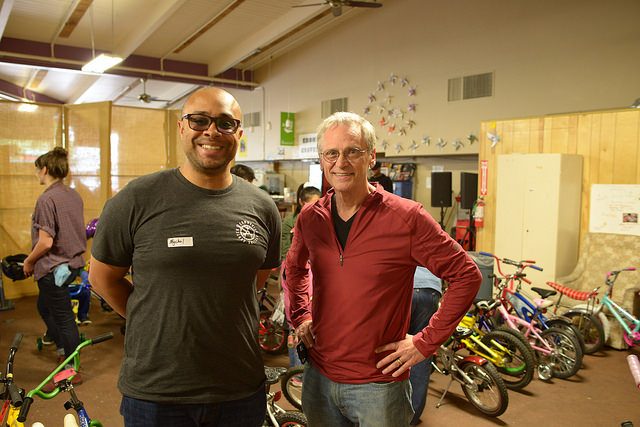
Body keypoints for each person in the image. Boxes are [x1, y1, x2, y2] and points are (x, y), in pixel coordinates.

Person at [89, 87, 281, 426]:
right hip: (157, 392)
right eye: (199, 120)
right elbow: (103, 278)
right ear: (182, 127)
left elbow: (251, 282)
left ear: (238, 133)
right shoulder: (137, 199)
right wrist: (154, 319)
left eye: (224, 123)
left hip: (238, 388)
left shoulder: (262, 207)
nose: (211, 131)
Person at [285, 112, 481, 426]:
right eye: (331, 153)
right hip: (319, 378)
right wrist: (300, 314)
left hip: (379, 386)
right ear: (321, 160)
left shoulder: (406, 217)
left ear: (371, 157)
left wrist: (424, 342)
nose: (341, 162)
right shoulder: (311, 217)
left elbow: (466, 275)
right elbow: (293, 270)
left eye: (353, 151)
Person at [23, 147, 86, 371]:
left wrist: (29, 262)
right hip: (74, 266)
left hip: (54, 270)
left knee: (65, 318)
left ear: (46, 170)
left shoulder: (46, 199)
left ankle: (72, 369)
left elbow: (46, 242)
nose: (36, 174)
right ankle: (62, 348)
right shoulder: (73, 195)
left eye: (37, 170)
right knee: (45, 307)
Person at [281, 184, 321, 367]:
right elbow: (284, 253)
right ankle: (296, 368)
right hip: (293, 270)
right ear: (300, 202)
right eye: (310, 203)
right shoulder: (290, 222)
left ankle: (307, 366)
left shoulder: (321, 220)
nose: (315, 207)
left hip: (313, 271)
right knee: (295, 318)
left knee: (311, 317)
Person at [408, 267, 442, 426]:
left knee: (390, 349)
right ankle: (413, 416)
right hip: (432, 291)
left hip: (406, 288)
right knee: (420, 353)